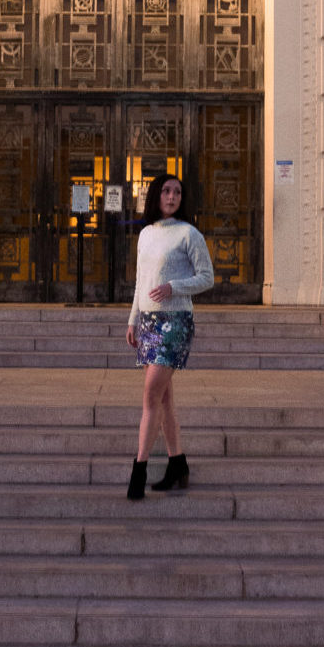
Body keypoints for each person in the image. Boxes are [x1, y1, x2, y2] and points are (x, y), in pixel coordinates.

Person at [124, 172, 214, 500]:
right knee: (163, 399)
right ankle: (178, 464)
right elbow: (140, 281)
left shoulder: (189, 234)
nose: (172, 196)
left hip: (175, 322)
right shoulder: (146, 234)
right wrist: (133, 319)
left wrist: (174, 287)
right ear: (156, 196)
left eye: (177, 192)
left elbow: (207, 278)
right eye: (166, 191)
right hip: (148, 321)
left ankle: (139, 469)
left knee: (150, 396)